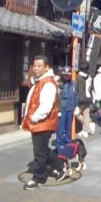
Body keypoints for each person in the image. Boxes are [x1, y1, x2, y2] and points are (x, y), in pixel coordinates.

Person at [22, 55, 66, 190]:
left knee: (39, 153)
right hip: (39, 122)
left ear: (47, 67)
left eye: (39, 66)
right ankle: (61, 166)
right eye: (34, 66)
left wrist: (33, 118)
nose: (36, 68)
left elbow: (46, 107)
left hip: (43, 122)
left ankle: (38, 178)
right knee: (42, 150)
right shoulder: (40, 81)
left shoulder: (47, 83)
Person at [75, 63, 93, 138]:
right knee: (86, 114)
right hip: (88, 97)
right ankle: (85, 130)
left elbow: (76, 88)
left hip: (80, 98)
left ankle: (87, 127)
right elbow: (91, 87)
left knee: (76, 113)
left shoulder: (78, 76)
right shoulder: (90, 76)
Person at [90, 66, 101, 132]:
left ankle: (99, 118)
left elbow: (93, 87)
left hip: (96, 95)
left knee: (98, 107)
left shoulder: (95, 78)